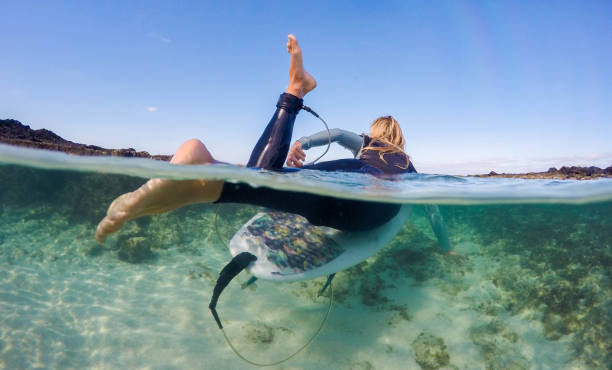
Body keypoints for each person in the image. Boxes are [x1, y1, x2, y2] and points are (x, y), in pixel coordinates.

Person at [95, 34, 451, 253]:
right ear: (399, 139)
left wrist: (305, 144)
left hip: (346, 179)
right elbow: (433, 210)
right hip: (368, 208)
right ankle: (293, 92)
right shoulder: (407, 163)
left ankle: (207, 173)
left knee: (264, 180)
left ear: (376, 133)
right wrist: (446, 248)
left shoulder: (367, 146)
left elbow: (339, 134)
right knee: (265, 183)